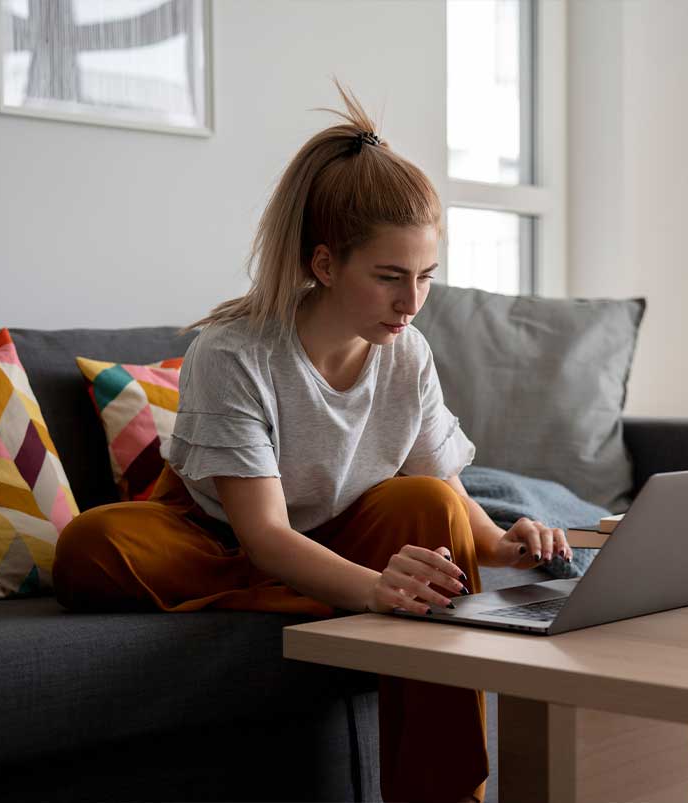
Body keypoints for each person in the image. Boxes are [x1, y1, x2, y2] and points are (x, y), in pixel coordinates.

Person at [52, 80, 573, 803]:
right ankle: (321, 594)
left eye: (425, 277)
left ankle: (445, 792)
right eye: (389, 277)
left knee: (425, 503)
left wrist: (505, 544)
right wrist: (374, 589)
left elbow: (445, 492)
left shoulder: (408, 351)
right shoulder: (234, 351)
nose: (411, 302)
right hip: (220, 538)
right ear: (324, 264)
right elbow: (261, 533)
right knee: (89, 547)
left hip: (344, 530)